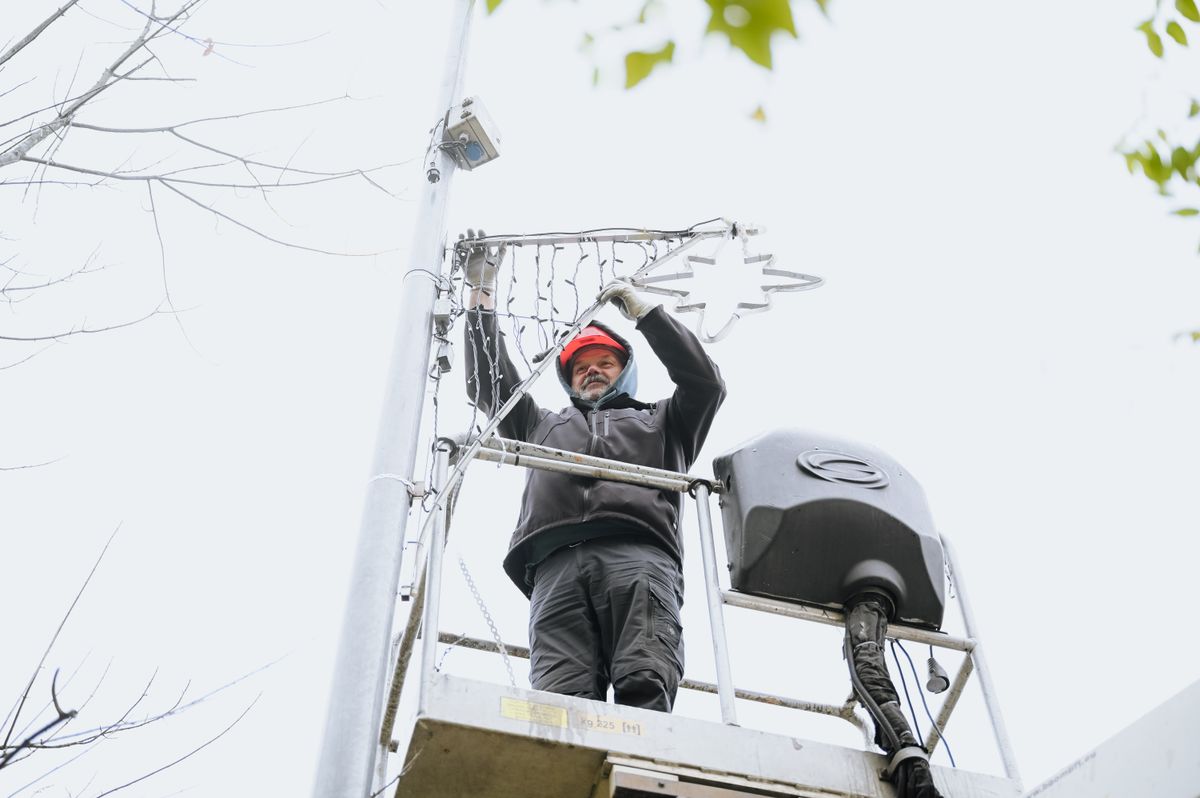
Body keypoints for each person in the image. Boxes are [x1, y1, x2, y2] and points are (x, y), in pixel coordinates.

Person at [459, 229, 727, 713]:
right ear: (568, 379)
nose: (592, 371)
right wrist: (480, 295)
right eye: (581, 367)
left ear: (624, 370)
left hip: (638, 554)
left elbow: (705, 384)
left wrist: (647, 315)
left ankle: (641, 781)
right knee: (560, 700)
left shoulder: (664, 421)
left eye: (605, 361)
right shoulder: (540, 424)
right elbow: (488, 384)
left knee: (645, 676)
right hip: (554, 565)